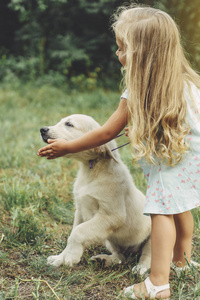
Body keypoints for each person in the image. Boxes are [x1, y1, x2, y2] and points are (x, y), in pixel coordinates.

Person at [38, 5, 200, 299]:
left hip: (170, 163)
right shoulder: (185, 82)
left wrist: (67, 147)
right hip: (191, 161)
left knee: (161, 212)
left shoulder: (137, 89)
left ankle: (157, 283)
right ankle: (183, 260)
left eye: (123, 48)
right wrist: (143, 129)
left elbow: (105, 133)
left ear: (143, 53)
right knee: (180, 208)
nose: (118, 54)